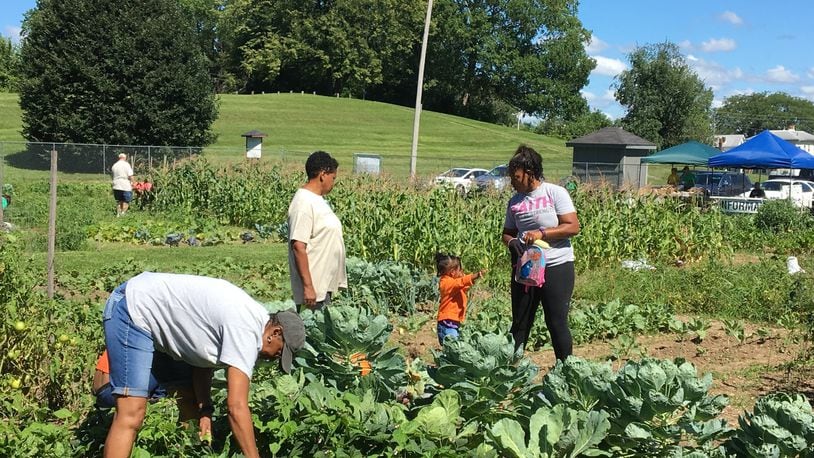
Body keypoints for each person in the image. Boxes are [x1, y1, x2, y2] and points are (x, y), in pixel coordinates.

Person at [101, 272, 306, 458]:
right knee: (131, 413)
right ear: (275, 333)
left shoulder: (254, 322)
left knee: (188, 400)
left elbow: (203, 360)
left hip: (159, 323)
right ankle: (106, 370)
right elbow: (236, 406)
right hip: (134, 308)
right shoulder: (246, 329)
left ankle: (185, 451)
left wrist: (205, 410)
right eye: (280, 352)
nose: (275, 359)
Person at [502, 145, 580, 360]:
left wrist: (542, 233)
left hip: (557, 265)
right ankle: (509, 374)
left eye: (516, 177)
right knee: (520, 322)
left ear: (530, 173)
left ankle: (566, 371)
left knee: (556, 322)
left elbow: (572, 227)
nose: (512, 182)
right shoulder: (515, 202)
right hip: (526, 268)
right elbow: (507, 233)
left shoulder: (555, 193)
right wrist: (511, 244)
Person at [288, 151, 347, 310]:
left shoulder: (316, 200)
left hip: (322, 285)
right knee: (314, 332)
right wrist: (308, 287)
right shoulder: (303, 203)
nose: (333, 183)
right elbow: (298, 246)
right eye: (333, 178)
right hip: (314, 290)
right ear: (323, 174)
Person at [435, 252, 486, 345]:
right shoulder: (446, 283)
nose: (462, 272)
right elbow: (460, 283)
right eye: (460, 270)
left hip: (452, 323)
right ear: (453, 272)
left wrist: (470, 279)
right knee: (453, 348)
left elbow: (464, 286)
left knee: (453, 349)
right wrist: (475, 275)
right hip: (447, 324)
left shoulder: (452, 281)